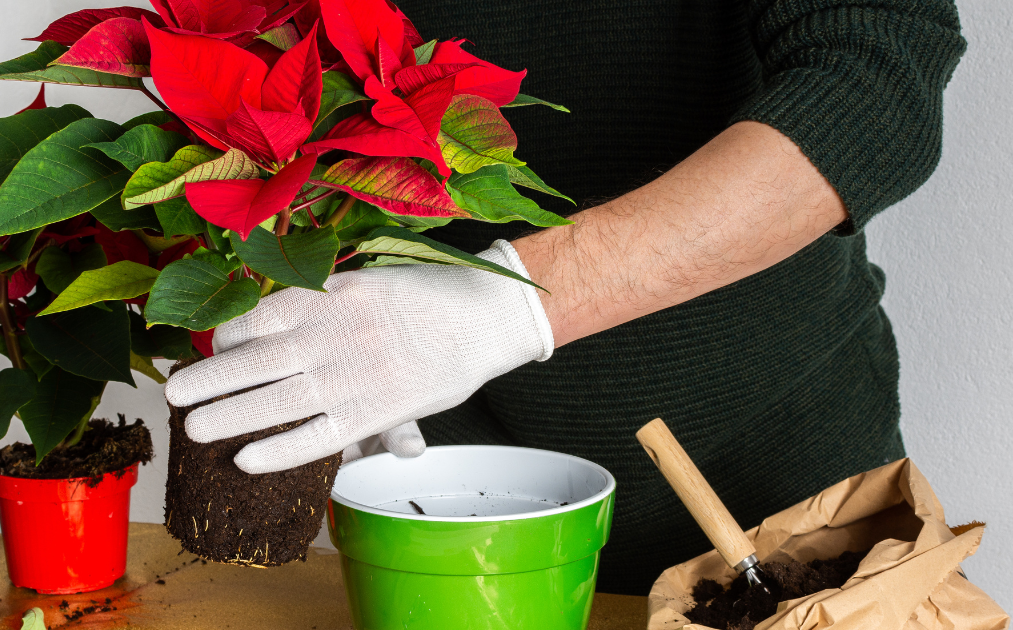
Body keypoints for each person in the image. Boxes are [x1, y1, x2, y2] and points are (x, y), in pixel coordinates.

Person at [164, 0, 967, 594]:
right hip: (447, 497)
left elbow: (876, 79)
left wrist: (514, 303)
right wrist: (329, 319)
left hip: (786, 491)